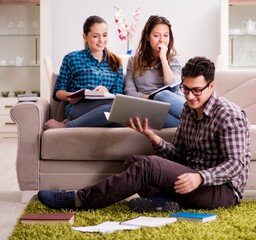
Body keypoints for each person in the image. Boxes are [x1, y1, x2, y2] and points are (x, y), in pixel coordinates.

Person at [38, 56, 251, 212]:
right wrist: (152, 136)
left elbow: (237, 164)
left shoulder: (229, 115)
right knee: (134, 162)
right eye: (185, 89)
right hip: (191, 175)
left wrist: (199, 177)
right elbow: (178, 154)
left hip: (221, 189)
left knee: (148, 167)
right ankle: (164, 203)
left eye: (197, 90)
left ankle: (80, 199)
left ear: (211, 86)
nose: (190, 96)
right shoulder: (188, 109)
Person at [44, 15, 124, 129]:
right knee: (114, 112)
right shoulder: (72, 58)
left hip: (105, 108)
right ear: (85, 37)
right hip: (79, 108)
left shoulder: (116, 63)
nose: (101, 40)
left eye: (105, 35)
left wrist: (106, 92)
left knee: (120, 114)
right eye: (96, 36)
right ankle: (70, 125)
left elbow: (118, 96)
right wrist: (70, 96)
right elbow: (57, 92)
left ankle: (69, 124)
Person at [124, 15, 185, 128]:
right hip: (148, 107)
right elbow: (129, 92)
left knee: (163, 95)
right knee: (155, 108)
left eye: (166, 35)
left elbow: (174, 89)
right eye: (156, 35)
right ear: (147, 37)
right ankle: (197, 125)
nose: (162, 40)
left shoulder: (175, 59)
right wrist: (152, 99)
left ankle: (197, 121)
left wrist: (163, 59)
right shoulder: (134, 60)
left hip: (172, 103)